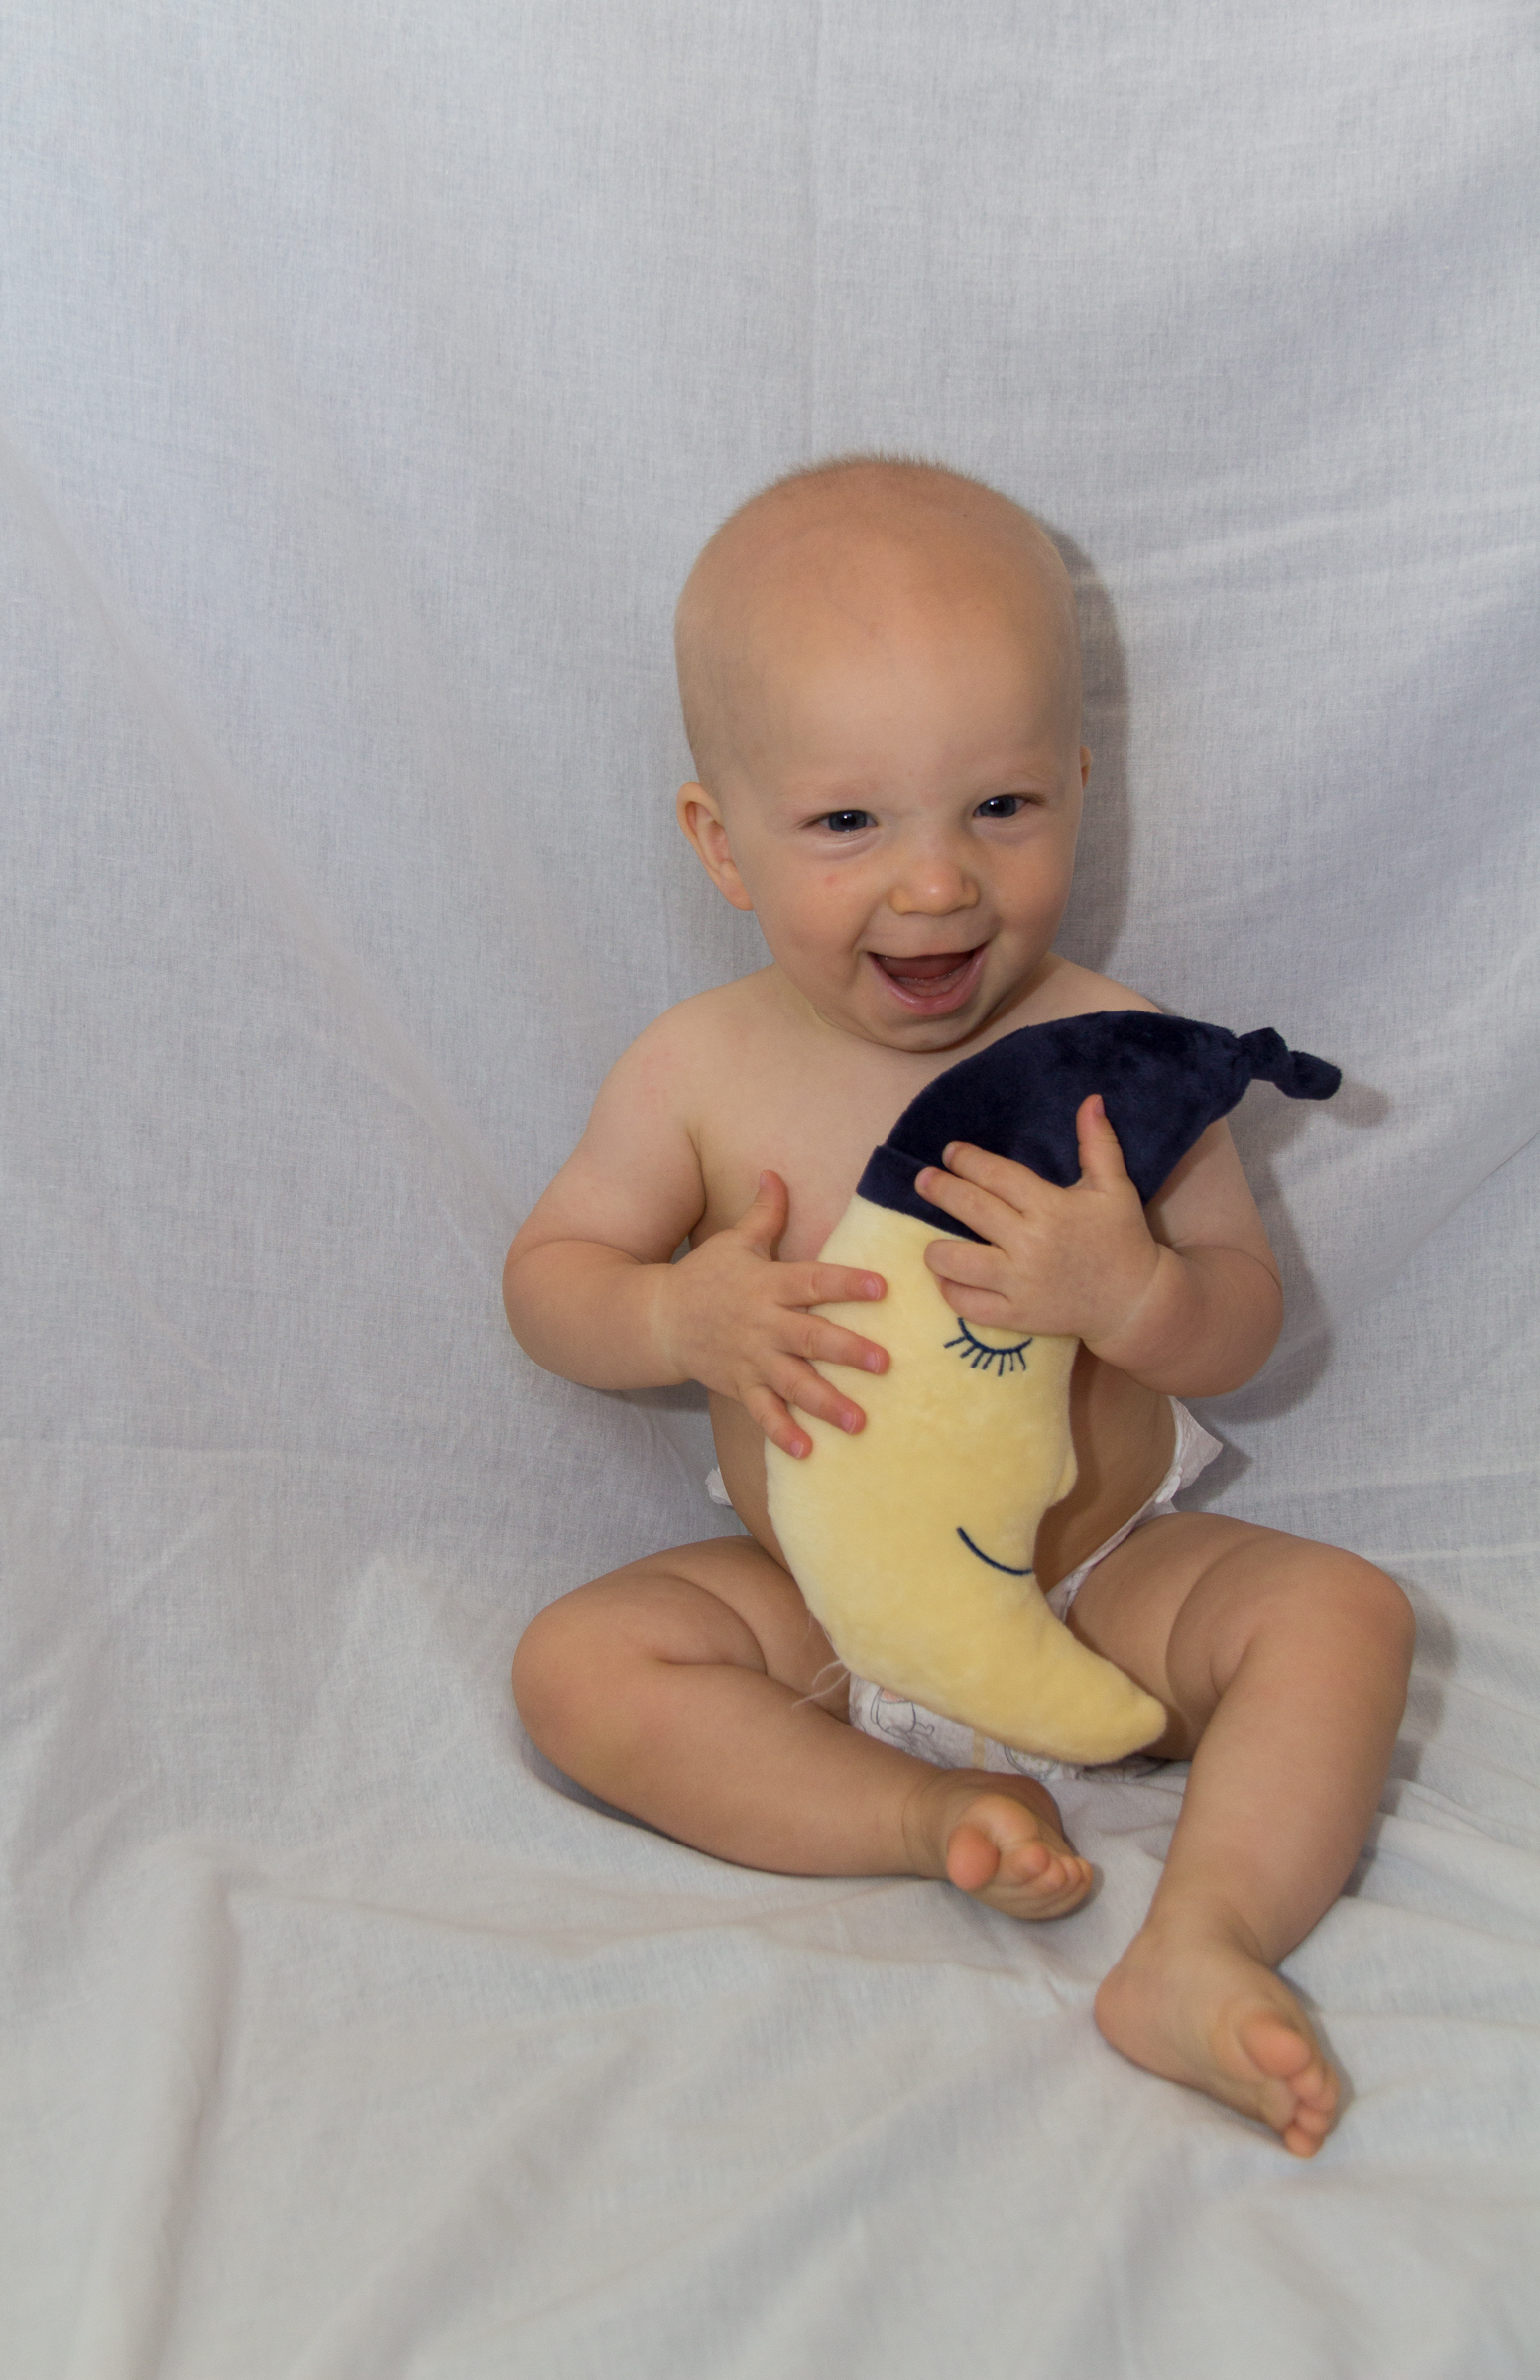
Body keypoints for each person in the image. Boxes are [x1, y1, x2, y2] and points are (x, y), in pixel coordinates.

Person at [504, 457, 1413, 2157]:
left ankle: (1204, 1937)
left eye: (1000, 807)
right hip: (826, 1616)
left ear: (1080, 787)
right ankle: (921, 1816)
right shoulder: (697, 1071)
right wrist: (676, 1320)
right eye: (847, 823)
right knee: (579, 1668)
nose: (937, 884)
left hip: (1101, 1585)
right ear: (721, 841)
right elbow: (550, 1283)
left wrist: (1137, 1292)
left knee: (1342, 1616)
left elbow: (1242, 1323)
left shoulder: (1112, 1052)